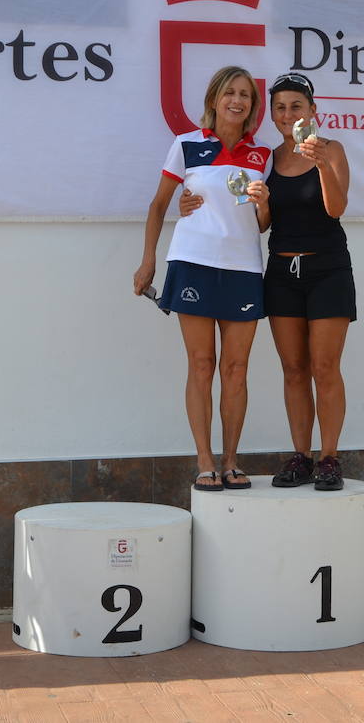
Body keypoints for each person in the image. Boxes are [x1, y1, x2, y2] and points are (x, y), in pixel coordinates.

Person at [178, 72, 354, 491]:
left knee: (325, 367)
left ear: (313, 111)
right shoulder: (269, 157)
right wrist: (195, 204)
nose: (288, 114)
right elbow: (263, 221)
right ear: (271, 115)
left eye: (296, 106)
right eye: (280, 107)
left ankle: (329, 457)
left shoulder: (332, 149)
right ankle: (301, 456)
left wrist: (321, 162)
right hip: (280, 271)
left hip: (327, 269)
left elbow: (336, 209)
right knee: (293, 370)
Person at [133, 65, 272, 492]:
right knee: (201, 364)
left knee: (237, 368)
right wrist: (148, 262)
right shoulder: (187, 145)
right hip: (192, 261)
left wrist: (264, 202)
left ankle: (231, 460)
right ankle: (205, 460)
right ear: (214, 99)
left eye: (245, 95)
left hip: (244, 267)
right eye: (230, 92)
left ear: (252, 104)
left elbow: (263, 224)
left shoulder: (262, 156)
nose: (237, 100)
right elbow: (159, 205)